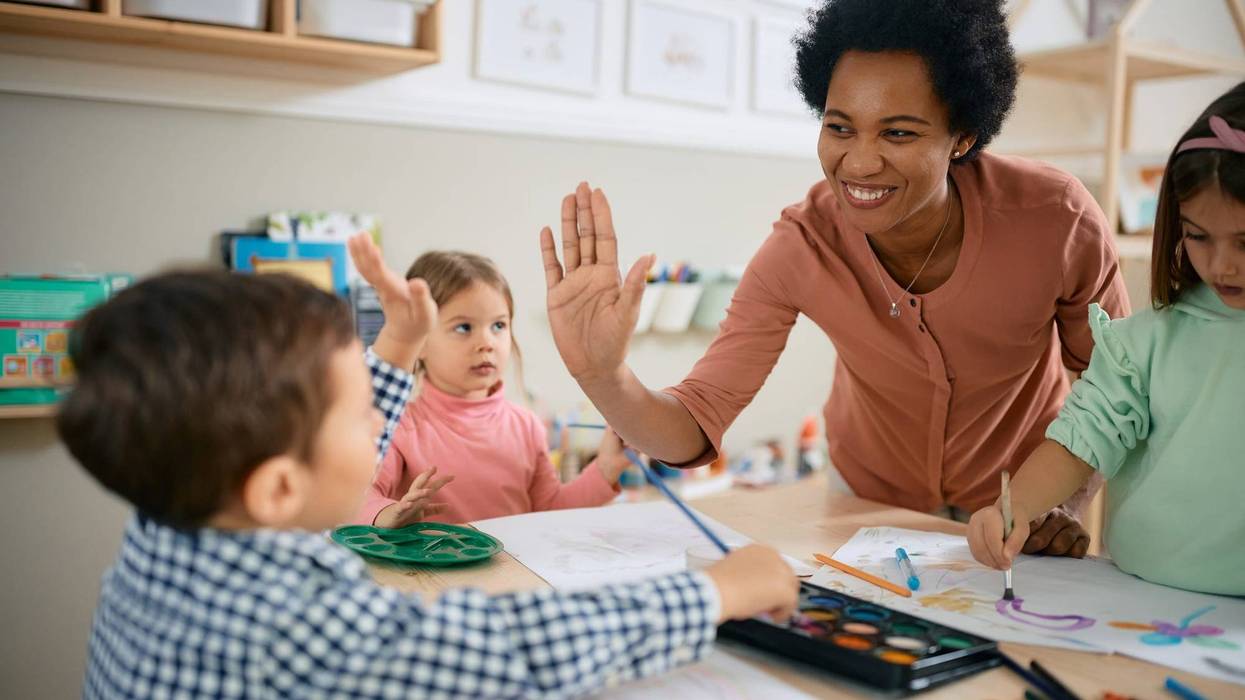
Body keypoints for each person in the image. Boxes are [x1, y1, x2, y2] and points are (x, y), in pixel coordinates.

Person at [65, 232, 799, 698]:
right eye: (362, 414)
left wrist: (390, 349)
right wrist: (708, 593)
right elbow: (511, 650)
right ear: (279, 488)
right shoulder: (289, 628)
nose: (382, 419)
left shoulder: (171, 532)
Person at [538, 0, 1129, 555]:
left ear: (963, 137)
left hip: (1019, 511)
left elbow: (1117, 388)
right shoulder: (803, 244)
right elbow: (693, 426)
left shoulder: (1056, 220)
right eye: (840, 127)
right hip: (868, 508)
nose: (861, 161)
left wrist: (1062, 505)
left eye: (898, 133)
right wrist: (604, 375)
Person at [967, 83, 1245, 596]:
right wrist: (1014, 509)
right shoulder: (1145, 342)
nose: (1222, 265)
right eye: (1198, 236)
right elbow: (1079, 442)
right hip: (1135, 597)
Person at [357, 249, 629, 526]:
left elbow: (549, 512)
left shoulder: (527, 426)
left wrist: (606, 468)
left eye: (498, 325)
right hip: (435, 571)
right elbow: (360, 496)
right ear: (420, 341)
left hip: (515, 570)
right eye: (464, 328)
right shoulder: (397, 426)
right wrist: (389, 513)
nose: (487, 342)